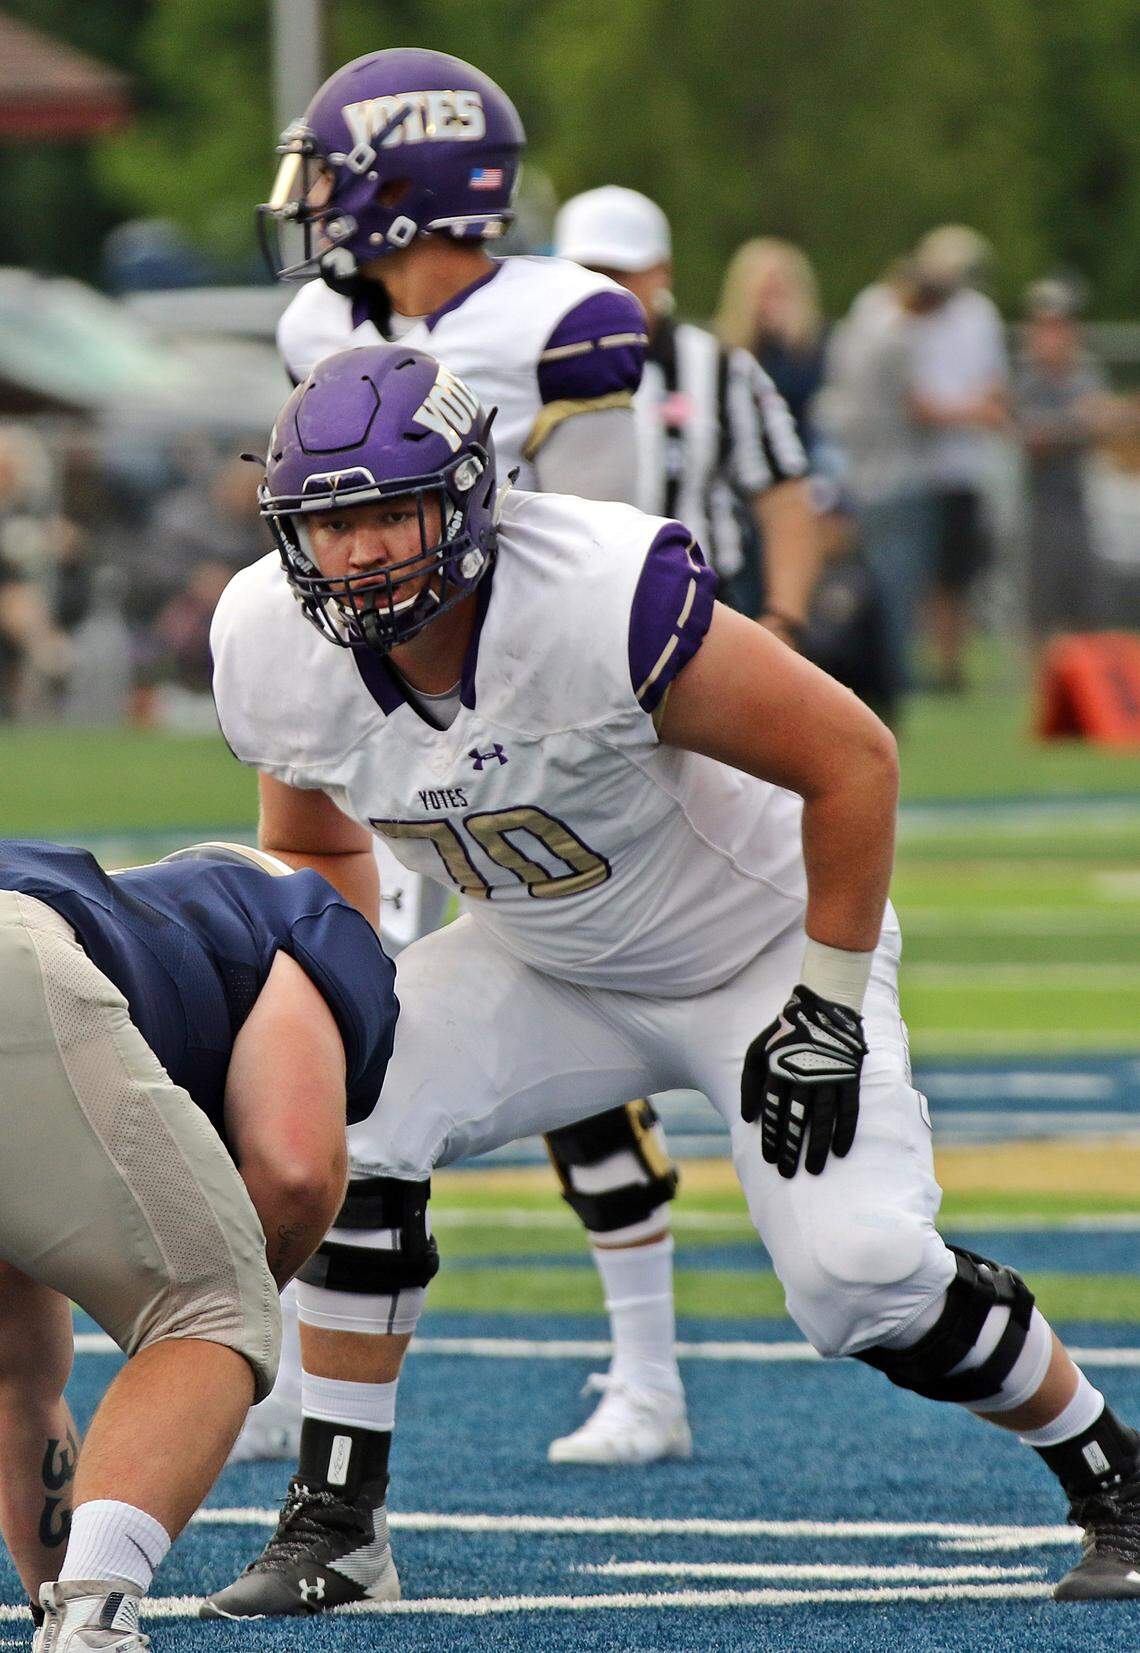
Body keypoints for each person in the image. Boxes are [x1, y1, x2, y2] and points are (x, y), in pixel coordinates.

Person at [204, 344, 1140, 1615]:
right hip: (542, 959)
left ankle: (1110, 1472)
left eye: (385, 513)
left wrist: (824, 1001)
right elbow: (313, 844)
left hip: (754, 955)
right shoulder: (269, 635)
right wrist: (346, 1009)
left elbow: (853, 759)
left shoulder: (597, 593)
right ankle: (340, 1525)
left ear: (470, 500)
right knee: (342, 1112)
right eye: (329, 522)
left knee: (859, 1275)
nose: (359, 553)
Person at [239, 45, 692, 1471]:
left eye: (333, 172)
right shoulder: (323, 320)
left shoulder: (569, 324)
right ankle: (283, 1379)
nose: (310, 204)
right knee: (326, 1048)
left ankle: (649, 1369)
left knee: (573, 1056)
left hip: (542, 732)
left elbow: (607, 554)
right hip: (378, 725)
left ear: (402, 185)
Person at [0, 839, 399, 1648]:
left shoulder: (152, 919)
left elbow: (21, 1367)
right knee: (210, 1308)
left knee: (11, 1355)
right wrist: (182, 1359)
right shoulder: (306, 922)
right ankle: (90, 1622)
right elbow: (294, 1175)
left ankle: (68, 1611)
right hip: (18, 976)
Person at [552, 185, 818, 640]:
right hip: (562, 620)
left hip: (698, 618)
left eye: (618, 272)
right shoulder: (527, 364)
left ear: (661, 274)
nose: (599, 287)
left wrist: (784, 620)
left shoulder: (720, 369)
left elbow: (785, 499)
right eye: (586, 270)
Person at [906, 226, 1010, 691]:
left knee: (958, 572)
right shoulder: (917, 317)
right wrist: (966, 412)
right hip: (920, 468)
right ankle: (924, 660)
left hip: (965, 468)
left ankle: (951, 663)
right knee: (926, 572)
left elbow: (993, 387)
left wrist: (958, 411)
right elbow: (917, 401)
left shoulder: (979, 315)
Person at [1013, 277, 1121, 657]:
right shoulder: (1026, 378)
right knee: (1041, 609)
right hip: (1037, 510)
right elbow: (1032, 437)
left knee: (1088, 606)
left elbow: (1106, 424)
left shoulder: (1085, 373)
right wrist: (1078, 423)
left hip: (1080, 507)